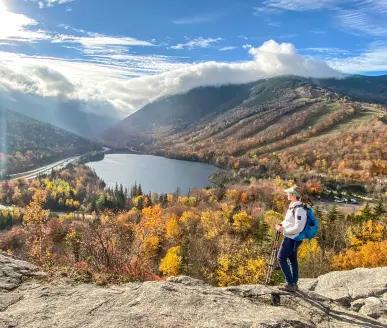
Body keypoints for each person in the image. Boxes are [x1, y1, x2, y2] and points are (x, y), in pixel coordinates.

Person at [275, 187, 307, 292]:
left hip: (292, 239)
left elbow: (299, 227)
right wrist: (281, 225)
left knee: (281, 258)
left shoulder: (299, 210)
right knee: (292, 259)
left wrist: (283, 231)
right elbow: (289, 221)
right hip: (291, 238)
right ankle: (293, 283)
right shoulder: (293, 207)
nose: (287, 194)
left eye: (289, 192)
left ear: (293, 194)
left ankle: (290, 283)